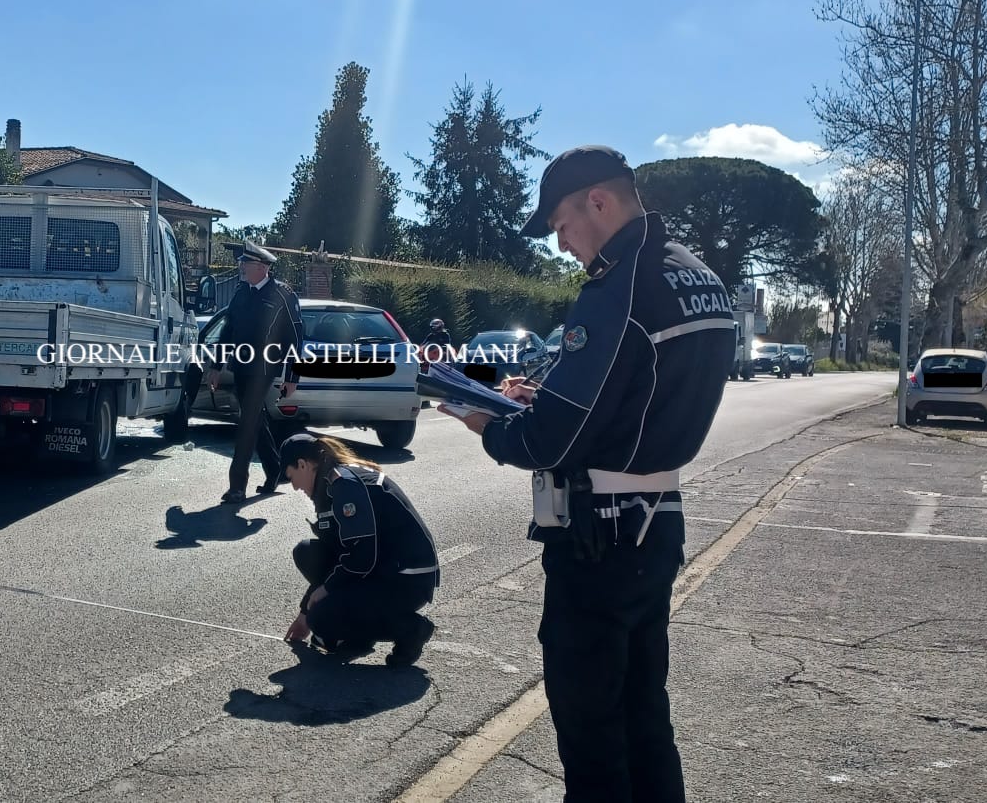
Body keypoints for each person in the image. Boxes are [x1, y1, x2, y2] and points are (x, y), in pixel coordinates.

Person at [444, 145, 735, 802]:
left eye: (563, 227)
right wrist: (543, 396)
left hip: (598, 536)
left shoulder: (618, 286)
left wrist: (489, 424)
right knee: (643, 714)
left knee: (591, 727)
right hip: (655, 518)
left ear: (599, 202)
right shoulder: (697, 276)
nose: (563, 245)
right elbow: (626, 398)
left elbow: (550, 443)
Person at [277, 433, 440, 666]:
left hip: (406, 581)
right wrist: (304, 611)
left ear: (303, 465)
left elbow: (361, 556)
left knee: (321, 619)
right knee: (307, 552)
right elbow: (337, 554)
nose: (293, 487)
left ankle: (411, 629)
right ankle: (357, 635)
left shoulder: (343, 485)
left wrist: (324, 593)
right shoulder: (330, 481)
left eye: (291, 477)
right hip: (385, 567)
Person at [206, 241, 305, 505]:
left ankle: (237, 486)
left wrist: (292, 376)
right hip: (241, 367)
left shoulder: (282, 294)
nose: (241, 268)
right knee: (254, 419)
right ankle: (275, 469)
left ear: (261, 267)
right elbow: (228, 332)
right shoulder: (241, 293)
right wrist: (216, 366)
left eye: (245, 264)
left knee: (247, 422)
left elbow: (296, 338)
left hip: (264, 368)